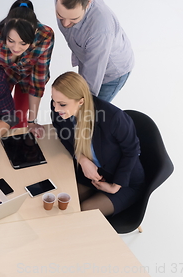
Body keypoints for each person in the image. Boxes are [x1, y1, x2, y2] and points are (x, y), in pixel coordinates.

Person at [50, 72, 144, 216]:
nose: (56, 109)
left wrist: (115, 186)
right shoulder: (60, 111)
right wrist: (81, 159)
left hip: (124, 182)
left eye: (62, 104)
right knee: (62, 201)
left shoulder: (113, 118)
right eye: (53, 101)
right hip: (92, 176)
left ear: (80, 101)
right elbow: (64, 136)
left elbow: (132, 151)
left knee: (85, 211)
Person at [0, 0, 54, 137]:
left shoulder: (45, 36)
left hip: (29, 76)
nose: (16, 48)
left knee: (20, 116)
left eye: (23, 43)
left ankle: (18, 147)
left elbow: (38, 80)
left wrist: (32, 121)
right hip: (1, 76)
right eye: (11, 41)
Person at [54, 0, 134, 102]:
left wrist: (82, 104)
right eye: (60, 16)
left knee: (91, 113)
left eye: (73, 19)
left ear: (87, 5)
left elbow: (90, 84)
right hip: (88, 58)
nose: (65, 23)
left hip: (110, 73)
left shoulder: (100, 30)